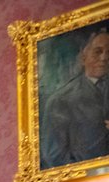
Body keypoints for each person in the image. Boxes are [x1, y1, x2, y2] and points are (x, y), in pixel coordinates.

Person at [42, 28, 109, 169]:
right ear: (83, 57)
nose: (104, 58)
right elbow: (55, 157)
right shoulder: (60, 100)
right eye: (98, 52)